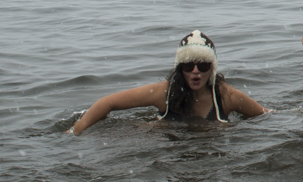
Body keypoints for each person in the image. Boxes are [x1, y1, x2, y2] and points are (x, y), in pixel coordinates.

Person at [69, 30, 268, 134]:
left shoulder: (227, 97)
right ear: (180, 68)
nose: (196, 71)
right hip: (170, 150)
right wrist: (76, 131)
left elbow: (265, 116)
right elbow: (108, 102)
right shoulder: (164, 93)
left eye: (203, 66)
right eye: (189, 65)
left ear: (212, 69)